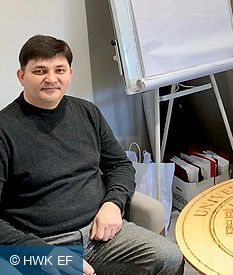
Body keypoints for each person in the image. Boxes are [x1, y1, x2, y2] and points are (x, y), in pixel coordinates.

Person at [0, 35, 184, 274]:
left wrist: (113, 204)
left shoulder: (87, 113)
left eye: (59, 69)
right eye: (40, 70)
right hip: (37, 246)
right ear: (21, 76)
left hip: (99, 234)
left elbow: (119, 165)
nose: (51, 79)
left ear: (70, 74)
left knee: (170, 257)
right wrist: (39, 252)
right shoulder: (5, 130)